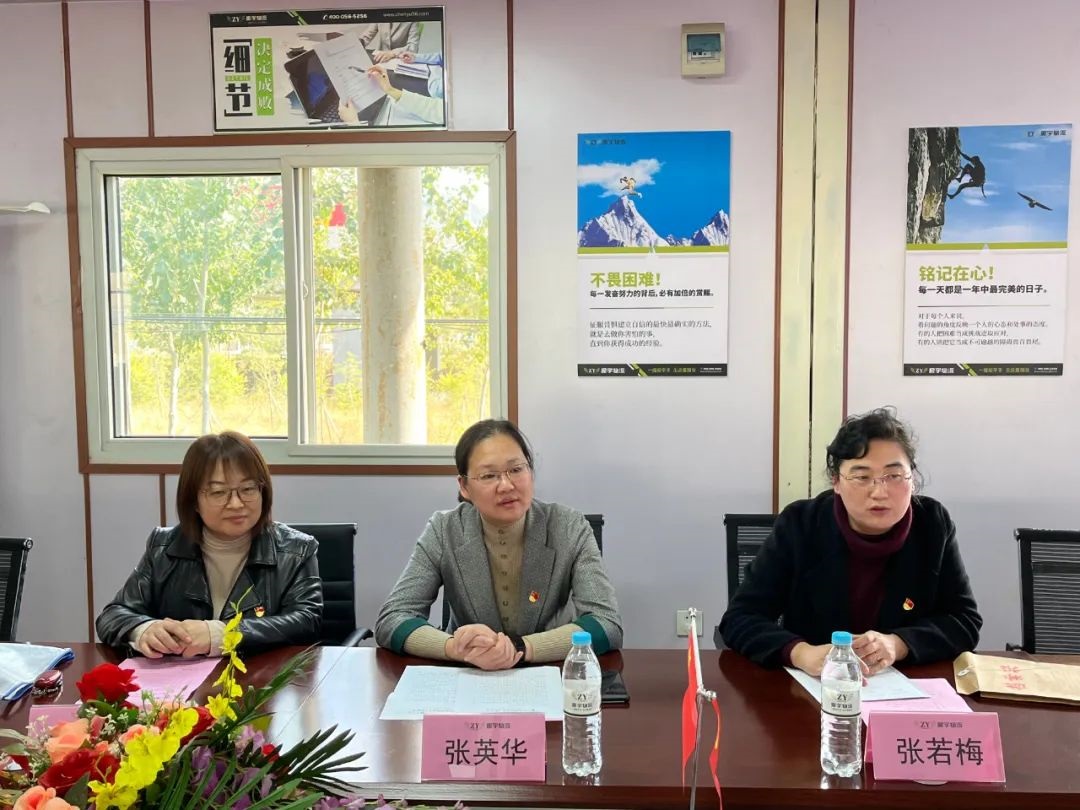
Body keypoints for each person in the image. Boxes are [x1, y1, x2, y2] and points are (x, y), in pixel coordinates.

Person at [718, 408, 981, 676]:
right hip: (814, 686)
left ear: (911, 478)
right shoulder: (800, 524)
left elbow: (964, 621)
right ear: (836, 482)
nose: (879, 492)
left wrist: (899, 644)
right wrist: (801, 653)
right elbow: (740, 618)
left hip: (906, 686)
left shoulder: (932, 524)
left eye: (893, 476)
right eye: (862, 477)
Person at [375, 419, 622, 670]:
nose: (506, 485)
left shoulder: (568, 526)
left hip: (550, 670)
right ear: (464, 486)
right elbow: (392, 618)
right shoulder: (445, 530)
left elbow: (606, 623)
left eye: (516, 469)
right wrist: (455, 648)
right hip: (469, 671)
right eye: (489, 475)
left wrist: (521, 647)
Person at [96, 431, 322, 656]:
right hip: (180, 676)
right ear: (193, 500)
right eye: (218, 492)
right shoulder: (163, 548)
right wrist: (144, 629)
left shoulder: (296, 550)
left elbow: (307, 621)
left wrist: (224, 634)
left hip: (262, 675)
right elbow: (113, 615)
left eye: (248, 489)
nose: (236, 504)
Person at [340, 51, 445, 126]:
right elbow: (436, 108)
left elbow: (373, 150)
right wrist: (390, 89)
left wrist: (353, 124)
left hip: (382, 126)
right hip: (396, 108)